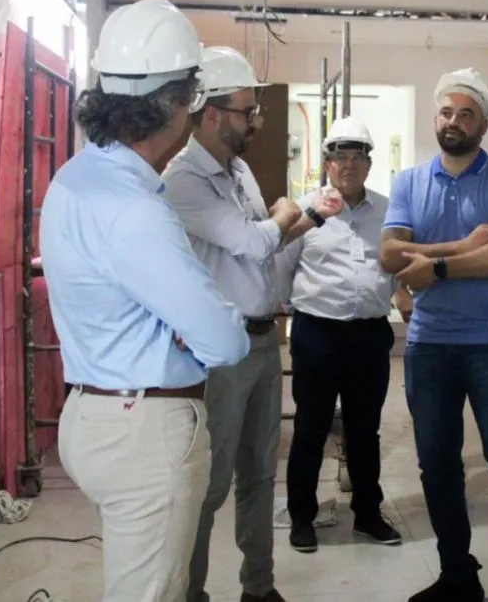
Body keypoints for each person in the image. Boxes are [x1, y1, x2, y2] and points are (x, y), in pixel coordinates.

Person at [39, 0, 250, 602]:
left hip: (90, 413)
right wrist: (198, 319)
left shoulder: (76, 178)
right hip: (144, 432)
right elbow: (224, 340)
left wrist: (180, 318)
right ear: (178, 107)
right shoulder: (138, 210)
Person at [161, 46, 343, 602]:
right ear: (212, 113)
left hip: (264, 343)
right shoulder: (183, 179)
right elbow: (252, 238)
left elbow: (265, 247)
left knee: (261, 477)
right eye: (246, 112)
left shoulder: (237, 170)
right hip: (218, 353)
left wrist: (302, 215)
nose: (256, 122)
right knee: (209, 487)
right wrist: (286, 216)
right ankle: (190, 593)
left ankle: (258, 589)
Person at [380, 67, 488, 602]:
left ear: (484, 124)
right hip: (429, 345)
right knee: (438, 465)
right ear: (435, 118)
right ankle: (458, 577)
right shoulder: (408, 182)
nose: (454, 121)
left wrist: (435, 266)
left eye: (466, 113)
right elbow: (389, 255)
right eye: (447, 112)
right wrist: (465, 247)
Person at [275, 116, 402, 553]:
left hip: (369, 336)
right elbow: (281, 272)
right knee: (310, 429)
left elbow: (401, 267)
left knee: (365, 431)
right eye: (339, 157)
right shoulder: (305, 211)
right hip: (317, 335)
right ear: (327, 164)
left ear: (369, 164)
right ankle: (302, 518)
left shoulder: (390, 213)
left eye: (357, 157)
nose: (348, 165)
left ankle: (368, 514)